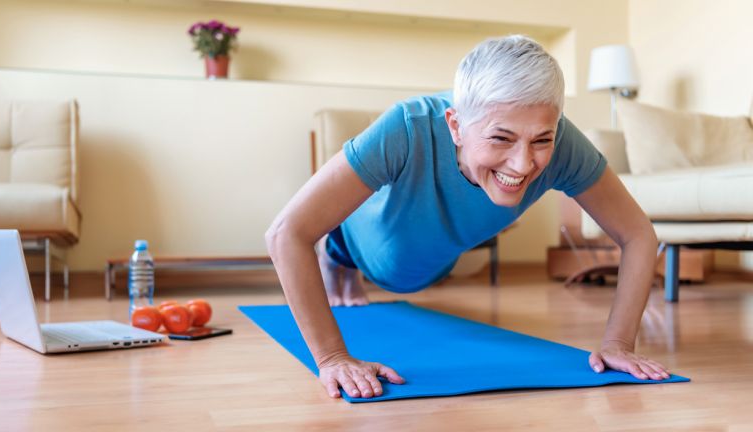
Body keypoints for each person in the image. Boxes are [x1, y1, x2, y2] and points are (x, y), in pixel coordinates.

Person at [265, 35, 670, 400]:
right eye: (501, 138)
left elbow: (638, 235)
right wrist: (333, 356)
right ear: (455, 126)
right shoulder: (406, 127)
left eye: (541, 140)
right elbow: (285, 233)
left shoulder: (564, 146)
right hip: (369, 237)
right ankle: (336, 254)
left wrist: (619, 344)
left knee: (419, 273)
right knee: (389, 261)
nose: (524, 162)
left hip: (438, 253)